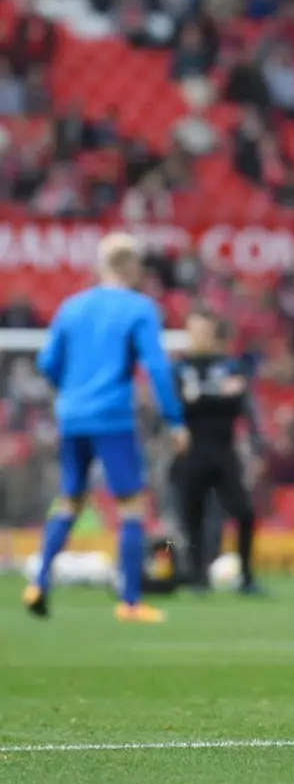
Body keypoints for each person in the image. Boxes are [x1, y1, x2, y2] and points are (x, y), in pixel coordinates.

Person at [24, 233, 189, 622]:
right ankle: (129, 602)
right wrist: (174, 420)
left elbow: (48, 363)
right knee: (131, 505)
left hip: (71, 415)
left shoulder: (72, 307)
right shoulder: (138, 308)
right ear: (132, 268)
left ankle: (39, 581)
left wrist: (73, 389)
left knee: (69, 500)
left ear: (101, 266)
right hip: (112, 415)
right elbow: (157, 367)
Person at [171, 310, 263, 595]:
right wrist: (218, 395)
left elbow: (237, 402)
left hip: (223, 450)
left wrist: (202, 397)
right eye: (194, 330)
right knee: (192, 517)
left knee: (244, 513)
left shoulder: (230, 365)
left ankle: (246, 577)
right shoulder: (179, 368)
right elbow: (179, 405)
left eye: (204, 330)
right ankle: (198, 578)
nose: (199, 336)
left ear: (214, 333)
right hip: (192, 450)